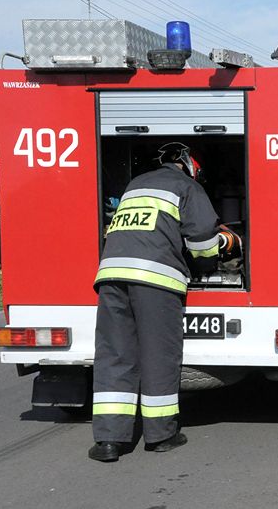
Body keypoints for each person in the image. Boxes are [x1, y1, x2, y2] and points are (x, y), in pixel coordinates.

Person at [89, 142, 223, 462]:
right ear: (190, 166)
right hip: (155, 280)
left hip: (111, 276)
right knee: (158, 355)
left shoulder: (136, 185)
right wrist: (207, 264)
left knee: (115, 355)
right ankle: (162, 434)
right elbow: (203, 237)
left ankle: (109, 441)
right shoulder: (186, 187)